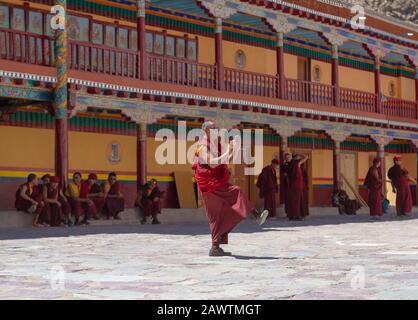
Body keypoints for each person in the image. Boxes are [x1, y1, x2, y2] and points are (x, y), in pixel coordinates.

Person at [192, 121, 268, 257]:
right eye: (214, 128)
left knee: (220, 213)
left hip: (217, 182)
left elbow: (226, 159)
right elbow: (213, 163)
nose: (216, 130)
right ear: (206, 131)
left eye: (217, 128)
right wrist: (229, 150)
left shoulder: (217, 144)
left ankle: (215, 247)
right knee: (236, 191)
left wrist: (235, 149)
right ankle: (255, 215)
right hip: (210, 183)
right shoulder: (202, 146)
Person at [287, 154, 309, 221]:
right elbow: (306, 157)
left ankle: (291, 215)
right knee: (297, 201)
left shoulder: (290, 164)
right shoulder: (296, 164)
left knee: (292, 201)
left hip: (293, 185)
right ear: (296, 158)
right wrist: (300, 153)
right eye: (298, 157)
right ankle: (296, 215)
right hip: (297, 185)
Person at [281, 152, 292, 217]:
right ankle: (288, 213)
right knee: (287, 200)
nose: (287, 158)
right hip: (286, 184)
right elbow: (283, 173)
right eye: (286, 157)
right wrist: (285, 175)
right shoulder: (284, 165)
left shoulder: (293, 164)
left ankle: (292, 212)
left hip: (292, 184)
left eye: (289, 157)